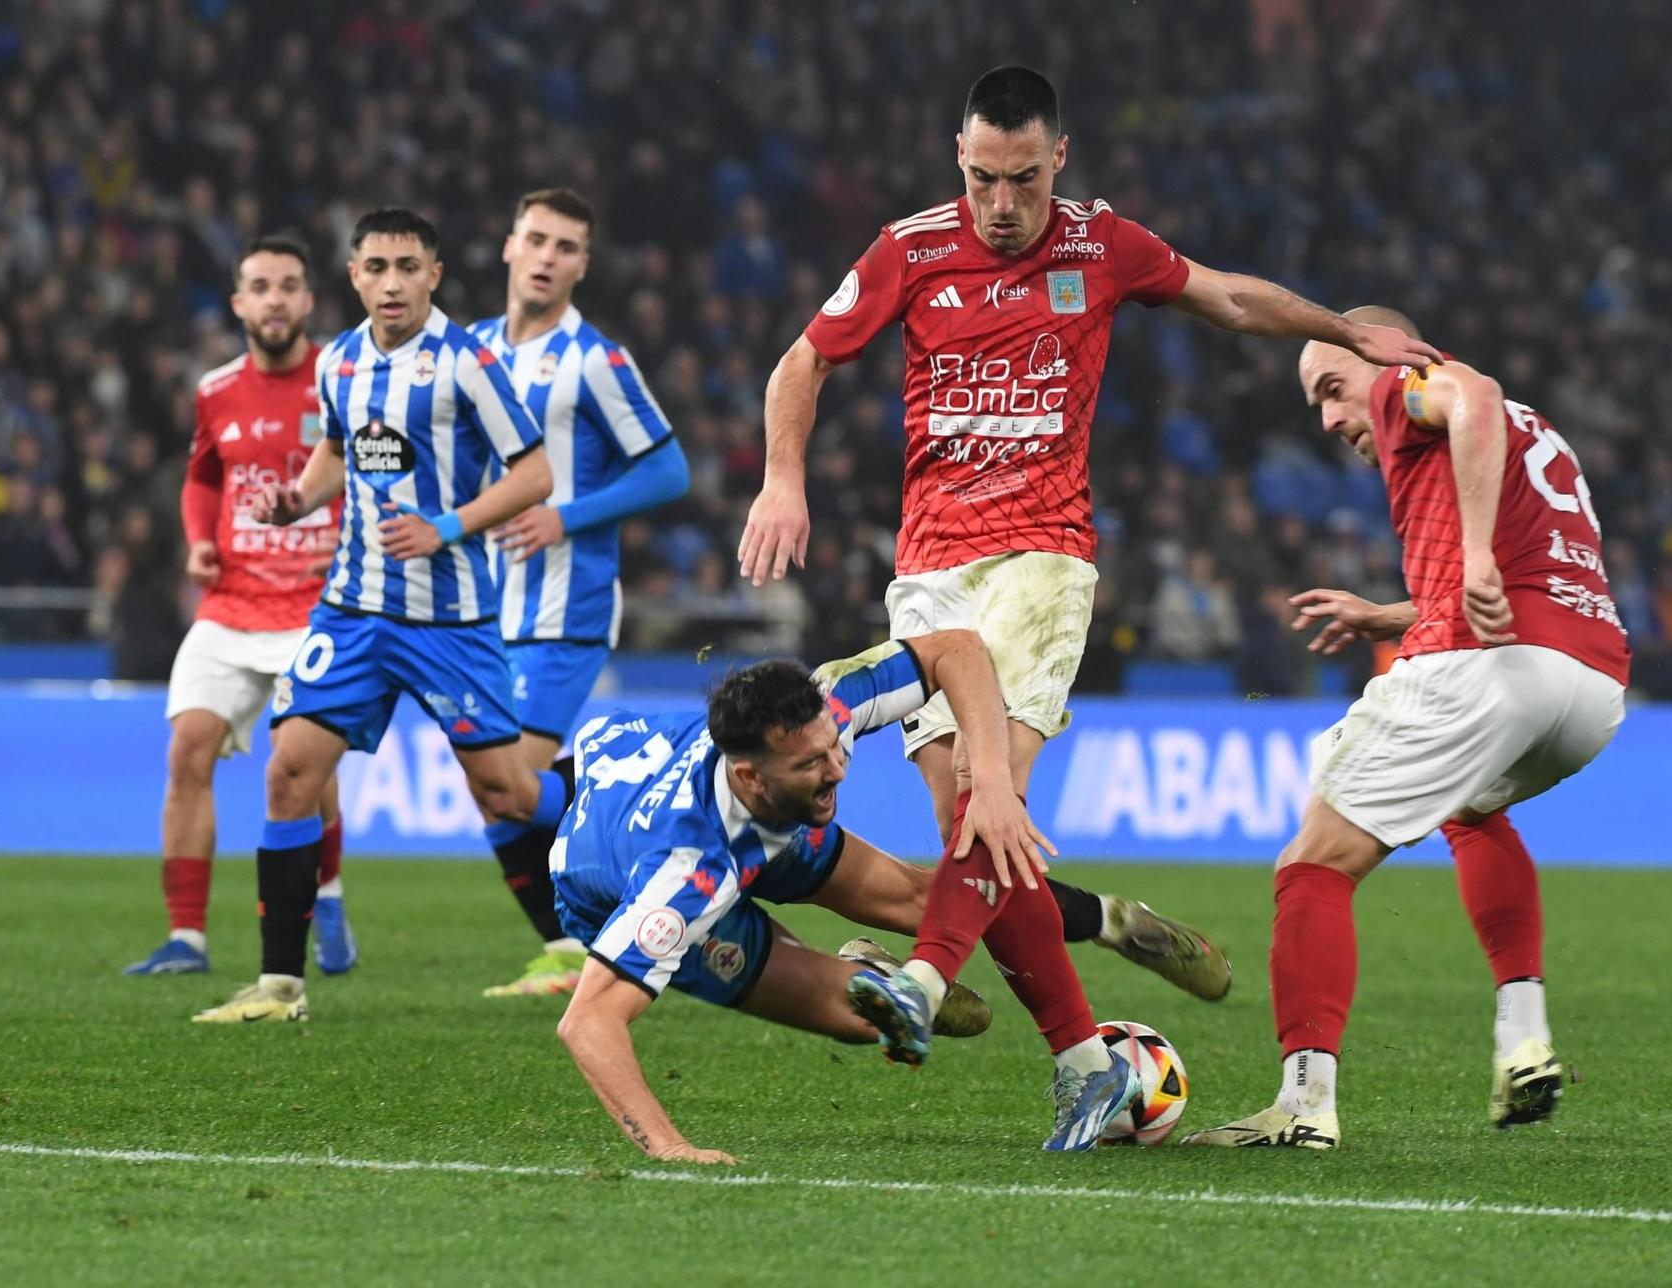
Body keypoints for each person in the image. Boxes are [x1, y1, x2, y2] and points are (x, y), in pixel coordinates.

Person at [738, 66, 1432, 1089]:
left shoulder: (1101, 245)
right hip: (929, 571)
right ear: (958, 160)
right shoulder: (910, 248)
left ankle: (936, 991)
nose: (1003, 205)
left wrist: (1339, 328)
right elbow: (802, 359)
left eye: (1022, 179)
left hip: (1040, 557)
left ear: (1056, 159)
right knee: (960, 825)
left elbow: (1228, 299)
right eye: (983, 179)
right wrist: (780, 478)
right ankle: (1102, 941)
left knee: (990, 797)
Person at [1183, 307, 1629, 1149]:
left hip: (1487, 668)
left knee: (1312, 865)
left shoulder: (1406, 384)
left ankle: (1303, 1104)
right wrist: (1386, 612)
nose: (1330, 418)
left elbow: (1472, 393)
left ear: (1376, 356)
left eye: (1332, 389)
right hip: (1591, 687)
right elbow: (1530, 556)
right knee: (1471, 811)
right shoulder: (1541, 435)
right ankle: (1522, 1033)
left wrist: (1477, 561)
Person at [556, 632, 1153, 1161]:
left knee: (943, 907)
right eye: (812, 762)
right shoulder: (684, 880)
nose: (838, 770)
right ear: (749, 776)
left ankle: (1076, 968)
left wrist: (992, 778)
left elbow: (959, 650)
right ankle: (869, 976)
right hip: (644, 884)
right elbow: (588, 1022)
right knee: (859, 1020)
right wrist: (670, 1148)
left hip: (764, 825)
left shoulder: (827, 704)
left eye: (833, 748)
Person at [193, 209, 554, 1023]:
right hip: (352, 611)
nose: (392, 282)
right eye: (377, 267)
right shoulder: (341, 363)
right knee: (289, 769)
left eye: (408, 266)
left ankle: (604, 804)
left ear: (434, 274)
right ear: (353, 276)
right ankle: (280, 986)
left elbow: (535, 473)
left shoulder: (469, 364)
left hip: (450, 619)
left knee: (504, 792)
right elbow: (335, 454)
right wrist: (298, 499)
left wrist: (448, 526)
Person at [467, 189, 692, 999]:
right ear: (508, 245)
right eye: (537, 239)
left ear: (582, 265)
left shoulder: (594, 359)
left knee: (507, 781)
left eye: (566, 247)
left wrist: (566, 517)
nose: (547, 256)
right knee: (489, 785)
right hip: (484, 611)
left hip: (566, 608)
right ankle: (577, 945)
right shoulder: (474, 352)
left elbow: (669, 469)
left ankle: (627, 854)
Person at [126, 236, 349, 977]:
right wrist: (196, 541)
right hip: (230, 604)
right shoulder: (216, 390)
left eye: (290, 285)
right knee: (187, 750)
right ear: (239, 303)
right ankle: (185, 938)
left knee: (300, 766)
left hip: (317, 607)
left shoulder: (344, 378)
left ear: (309, 300)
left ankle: (331, 892)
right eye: (261, 286)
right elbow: (201, 479)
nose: (276, 299)